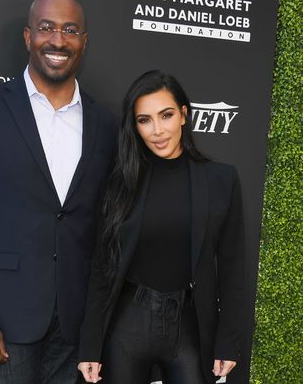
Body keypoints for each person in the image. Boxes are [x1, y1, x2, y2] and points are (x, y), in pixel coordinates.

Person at [0, 0, 117, 383]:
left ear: (84, 42)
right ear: (28, 37)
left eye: (70, 30)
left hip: (75, 321)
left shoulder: (106, 125)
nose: (58, 40)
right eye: (47, 28)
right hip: (5, 319)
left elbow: (106, 226)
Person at [77, 70, 245, 384]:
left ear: (184, 115)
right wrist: (90, 346)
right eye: (144, 120)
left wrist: (228, 341)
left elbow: (234, 270)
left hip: (189, 326)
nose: (157, 131)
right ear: (134, 126)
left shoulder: (222, 180)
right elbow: (102, 267)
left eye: (166, 115)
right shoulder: (120, 182)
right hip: (126, 326)